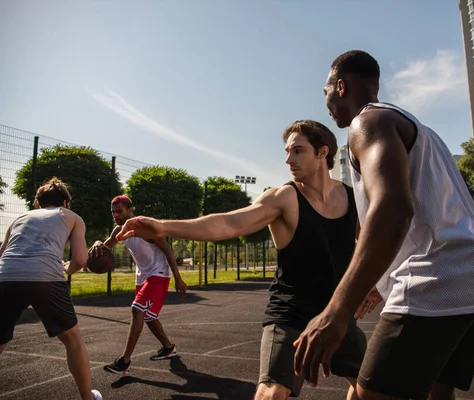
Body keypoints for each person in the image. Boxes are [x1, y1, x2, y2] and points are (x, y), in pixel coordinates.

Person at [293, 50, 474, 400]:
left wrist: (336, 310)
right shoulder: (418, 130)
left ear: (341, 86)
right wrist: (378, 282)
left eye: (325, 91)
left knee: (367, 396)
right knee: (436, 394)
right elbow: (429, 214)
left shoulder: (366, 123)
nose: (324, 101)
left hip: (439, 277)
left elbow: (394, 208)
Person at [115, 120, 367, 399]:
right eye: (287, 151)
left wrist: (377, 283)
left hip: (336, 315)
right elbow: (229, 224)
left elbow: (374, 244)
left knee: (371, 390)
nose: (288, 159)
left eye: (297, 151)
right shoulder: (283, 198)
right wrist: (163, 226)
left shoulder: (353, 198)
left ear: (323, 152)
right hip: (290, 315)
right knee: (271, 393)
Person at [0, 177, 103, 400]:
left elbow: (2, 253)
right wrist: (67, 269)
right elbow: (80, 260)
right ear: (65, 202)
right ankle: (87, 397)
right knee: (72, 339)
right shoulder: (72, 217)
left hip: (6, 274)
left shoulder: (19, 218)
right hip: (45, 276)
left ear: (38, 202)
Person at [91, 195, 188, 375]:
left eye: (119, 211)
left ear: (130, 210)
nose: (115, 216)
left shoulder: (145, 228)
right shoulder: (118, 230)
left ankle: (124, 362)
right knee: (149, 316)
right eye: (113, 213)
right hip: (143, 276)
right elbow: (105, 247)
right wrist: (97, 244)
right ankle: (168, 348)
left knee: (137, 310)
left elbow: (167, 249)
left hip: (159, 273)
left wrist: (178, 277)